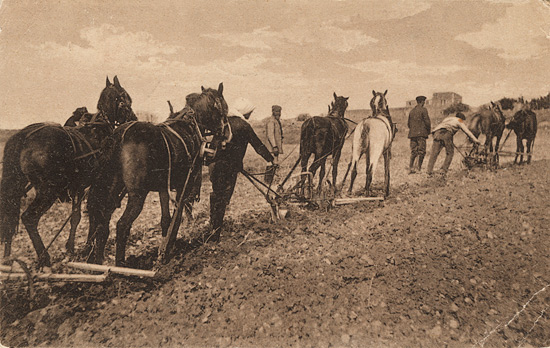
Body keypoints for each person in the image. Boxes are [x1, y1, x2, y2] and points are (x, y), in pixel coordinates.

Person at [208, 97, 274, 242]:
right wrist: (270, 159)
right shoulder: (243, 125)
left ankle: (212, 228)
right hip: (230, 168)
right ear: (245, 112)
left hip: (215, 166)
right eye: (250, 112)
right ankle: (215, 234)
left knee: (216, 195)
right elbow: (257, 145)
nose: (250, 114)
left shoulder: (223, 123)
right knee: (223, 199)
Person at [426, 112, 482, 176]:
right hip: (447, 133)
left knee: (434, 153)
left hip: (436, 133)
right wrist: (476, 140)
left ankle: (429, 171)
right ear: (461, 118)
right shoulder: (459, 120)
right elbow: (467, 131)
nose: (462, 121)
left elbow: (441, 126)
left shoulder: (448, 118)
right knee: (450, 153)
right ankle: (443, 170)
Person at [407, 96, 431, 173]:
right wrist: (428, 131)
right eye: (424, 101)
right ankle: (418, 168)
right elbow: (427, 122)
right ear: (422, 102)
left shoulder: (411, 111)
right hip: (421, 134)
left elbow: (408, 124)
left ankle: (411, 167)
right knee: (421, 151)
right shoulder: (424, 110)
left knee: (413, 151)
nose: (424, 103)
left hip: (412, 134)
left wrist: (413, 130)